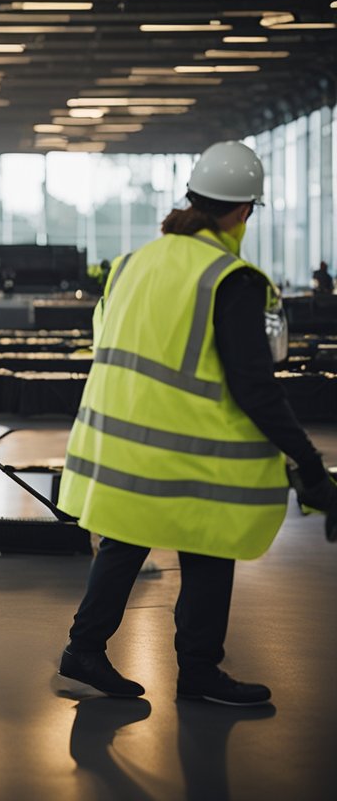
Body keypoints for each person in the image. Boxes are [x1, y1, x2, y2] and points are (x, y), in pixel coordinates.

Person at [55, 141, 337, 706]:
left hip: (118, 438)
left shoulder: (132, 263)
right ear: (243, 212)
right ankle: (199, 671)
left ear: (192, 200)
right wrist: (309, 463)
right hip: (188, 447)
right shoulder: (231, 277)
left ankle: (84, 648)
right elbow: (253, 386)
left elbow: (110, 342)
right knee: (209, 544)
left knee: (126, 539)